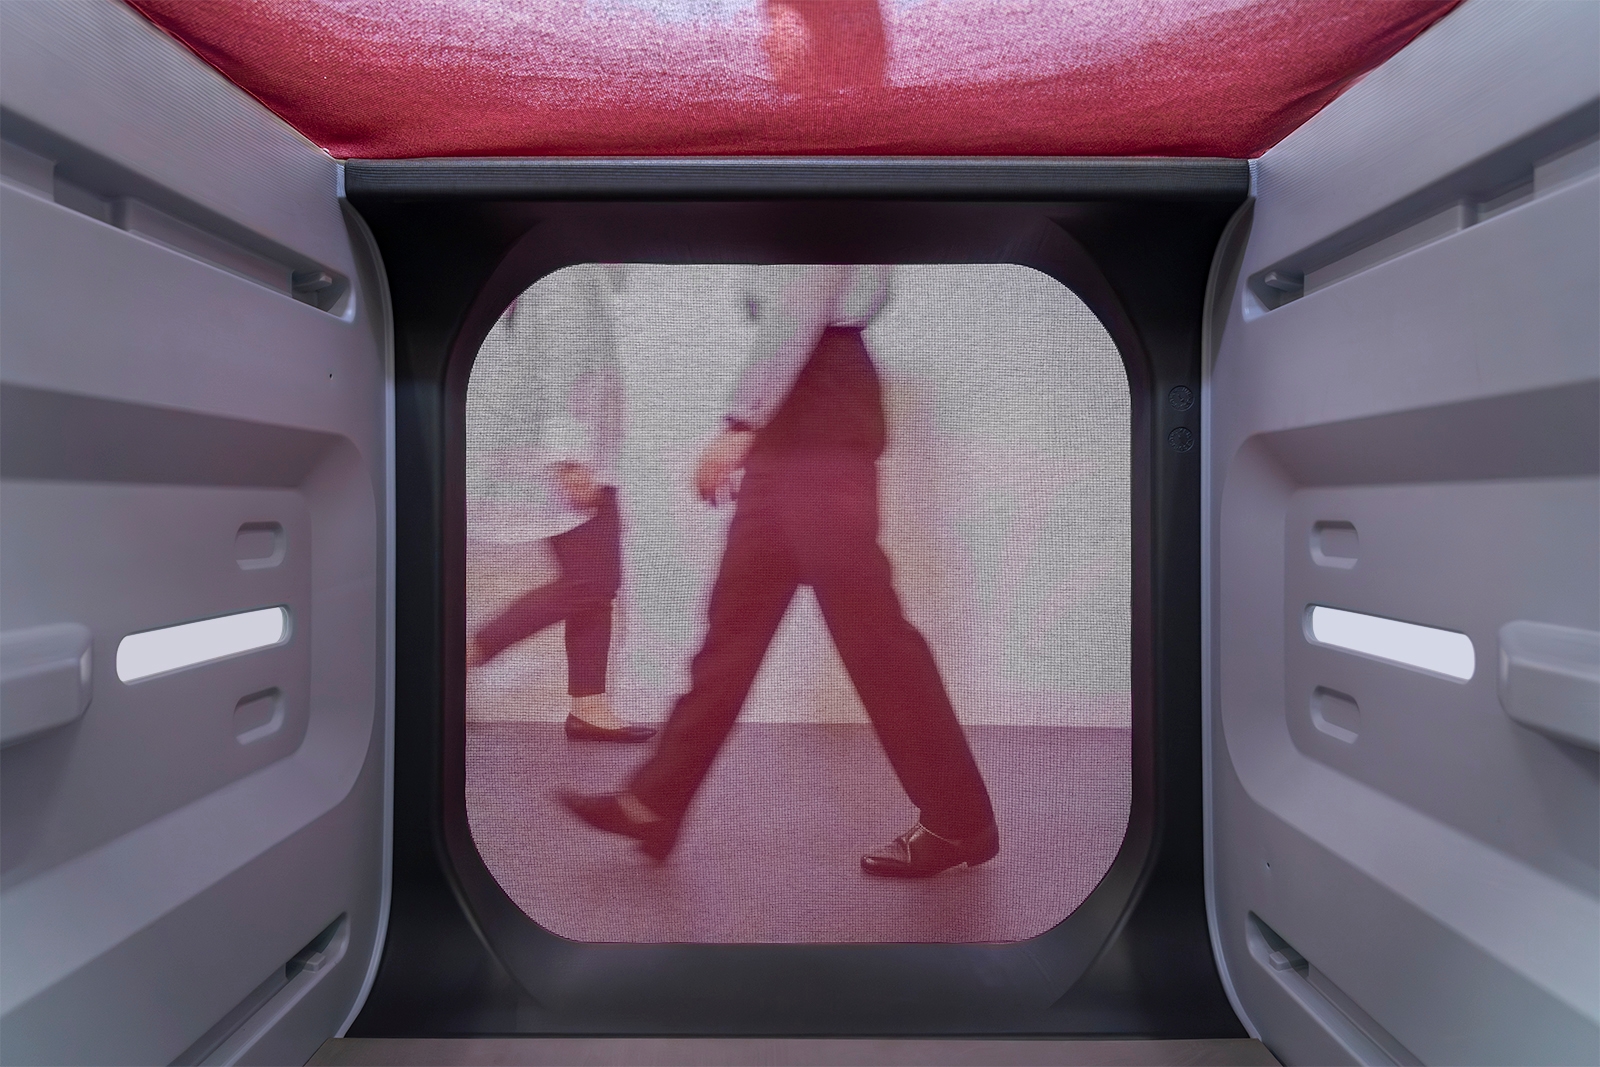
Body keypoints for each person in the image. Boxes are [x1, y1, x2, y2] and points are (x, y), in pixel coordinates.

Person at [560, 266, 998, 877]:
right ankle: (654, 802)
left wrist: (740, 424)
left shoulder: (812, 209)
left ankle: (959, 821)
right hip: (795, 417)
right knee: (731, 637)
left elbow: (801, 296)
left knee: (872, 636)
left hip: (818, 409)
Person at [468, 265, 654, 743]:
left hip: (593, 460)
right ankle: (470, 650)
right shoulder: (568, 281)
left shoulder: (581, 279)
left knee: (595, 585)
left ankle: (589, 706)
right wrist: (571, 457)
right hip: (576, 462)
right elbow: (561, 370)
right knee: (592, 582)